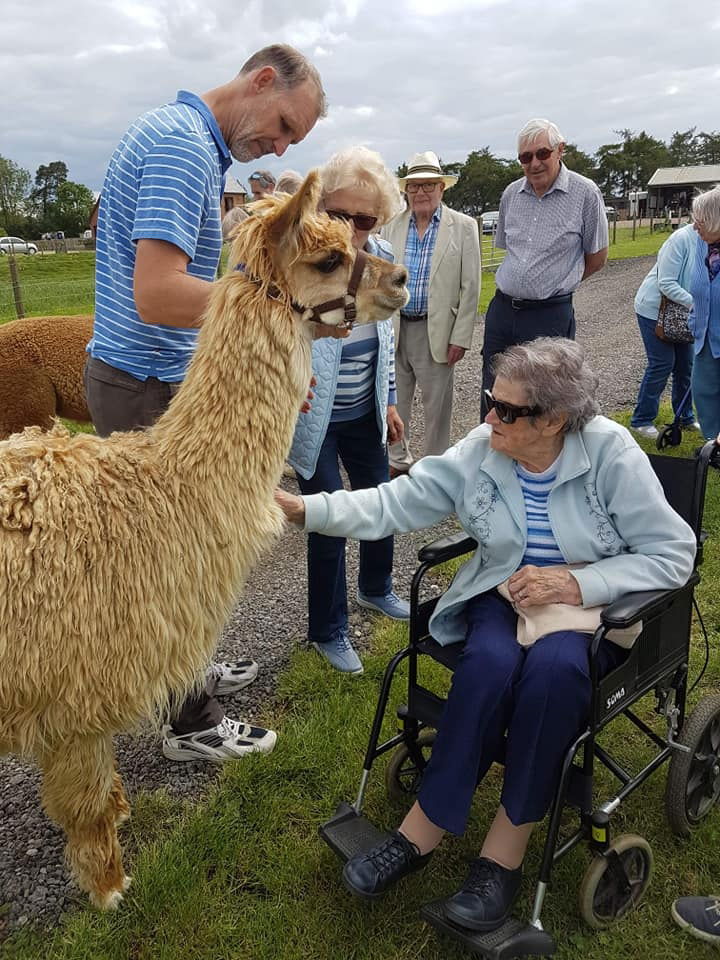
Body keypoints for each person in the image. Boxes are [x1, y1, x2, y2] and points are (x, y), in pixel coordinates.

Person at [276, 338, 695, 930]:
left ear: (552, 419)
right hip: (503, 591)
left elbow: (675, 554)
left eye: (506, 409)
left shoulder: (610, 453)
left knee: (553, 677)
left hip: (586, 608)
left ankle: (503, 854)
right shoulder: (485, 448)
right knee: (489, 665)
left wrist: (577, 584)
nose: (489, 417)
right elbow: (399, 501)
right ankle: (419, 833)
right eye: (490, 401)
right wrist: (308, 509)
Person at [85, 44, 326, 763]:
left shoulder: (188, 143)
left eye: (290, 141)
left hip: (145, 375)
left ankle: (182, 673)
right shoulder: (181, 149)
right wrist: (276, 312)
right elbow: (157, 292)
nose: (277, 144)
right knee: (174, 561)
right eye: (283, 123)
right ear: (259, 81)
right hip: (141, 383)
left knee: (179, 553)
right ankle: (189, 720)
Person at [286, 146, 409, 675]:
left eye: (365, 218)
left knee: (382, 501)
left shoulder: (377, 256)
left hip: (364, 412)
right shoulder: (300, 256)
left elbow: (385, 335)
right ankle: (328, 629)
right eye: (340, 215)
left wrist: (389, 400)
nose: (353, 229)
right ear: (320, 206)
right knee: (329, 519)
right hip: (316, 418)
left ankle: (376, 587)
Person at [481, 118, 608, 418]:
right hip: (503, 310)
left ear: (560, 150)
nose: (534, 163)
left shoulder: (585, 194)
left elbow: (597, 257)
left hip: (549, 314)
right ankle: (491, 452)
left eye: (542, 153)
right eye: (526, 157)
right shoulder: (511, 194)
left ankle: (538, 460)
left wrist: (557, 283)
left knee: (544, 398)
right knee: (494, 389)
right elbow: (509, 250)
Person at [381, 151, 480, 476]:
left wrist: (460, 336)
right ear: (406, 191)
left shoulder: (463, 227)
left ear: (441, 188)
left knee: (437, 408)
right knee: (396, 402)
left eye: (428, 186)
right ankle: (398, 461)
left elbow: (471, 287)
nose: (420, 193)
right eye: (414, 187)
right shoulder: (391, 227)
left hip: (436, 331)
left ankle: (436, 469)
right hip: (396, 328)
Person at [630, 223, 699, 438]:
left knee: (685, 366)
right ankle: (641, 420)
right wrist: (699, 304)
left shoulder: (713, 242)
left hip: (685, 312)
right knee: (662, 363)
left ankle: (685, 416)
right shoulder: (680, 239)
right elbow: (666, 283)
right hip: (654, 309)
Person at [686, 186, 720, 440]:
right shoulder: (702, 245)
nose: (695, 226)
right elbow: (699, 288)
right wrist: (693, 319)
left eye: (702, 221)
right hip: (705, 336)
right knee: (703, 391)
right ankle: (713, 444)